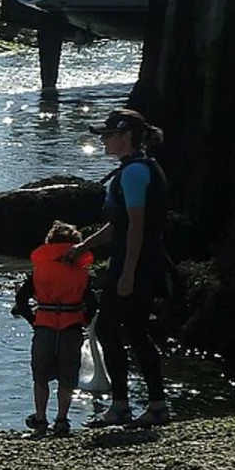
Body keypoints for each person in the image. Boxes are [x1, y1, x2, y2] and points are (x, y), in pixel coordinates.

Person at [65, 108, 172, 427]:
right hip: (139, 262)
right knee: (133, 331)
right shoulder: (134, 169)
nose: (103, 141)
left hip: (135, 266)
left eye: (108, 135)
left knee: (113, 330)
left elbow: (137, 226)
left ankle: (129, 405)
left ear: (126, 137)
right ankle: (149, 405)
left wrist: (127, 273)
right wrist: (83, 246)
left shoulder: (135, 173)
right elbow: (120, 225)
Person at [13, 220, 96, 437]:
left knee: (41, 377)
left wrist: (34, 320)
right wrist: (83, 320)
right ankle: (62, 420)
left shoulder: (40, 272)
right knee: (67, 378)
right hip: (71, 328)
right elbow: (93, 303)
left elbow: (21, 300)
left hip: (45, 327)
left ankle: (41, 419)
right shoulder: (82, 274)